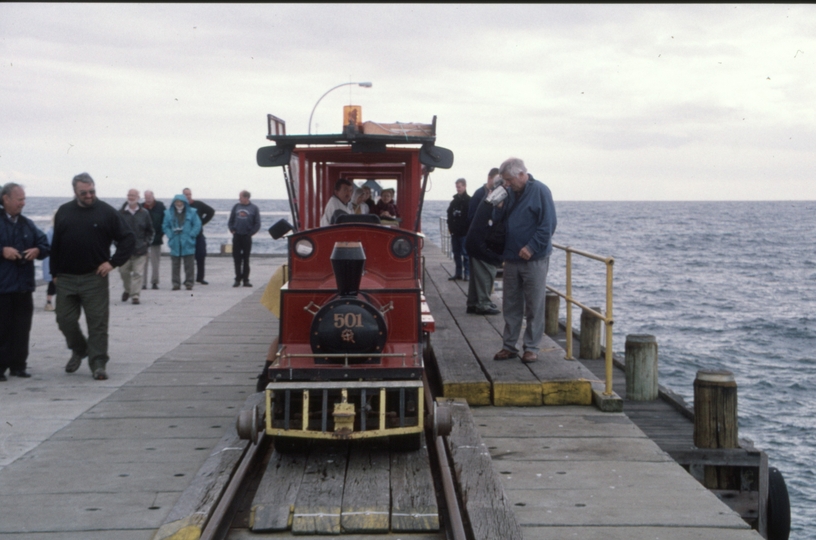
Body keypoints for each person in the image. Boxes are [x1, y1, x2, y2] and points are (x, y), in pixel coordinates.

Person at [51, 173, 136, 380]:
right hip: (66, 277)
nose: (89, 196)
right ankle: (80, 349)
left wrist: (113, 262)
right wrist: (54, 273)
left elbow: (128, 238)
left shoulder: (106, 212)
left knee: (97, 323)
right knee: (64, 319)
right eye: (84, 193)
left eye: (92, 191)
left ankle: (98, 364)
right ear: (75, 192)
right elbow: (56, 245)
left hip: (94, 277)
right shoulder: (64, 211)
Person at [492, 158, 557, 364]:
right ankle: (509, 346)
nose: (507, 184)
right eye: (505, 181)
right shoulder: (509, 192)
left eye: (509, 180)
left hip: (534, 259)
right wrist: (498, 205)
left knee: (534, 305)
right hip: (511, 258)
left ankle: (531, 348)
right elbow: (497, 221)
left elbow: (548, 225)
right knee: (510, 304)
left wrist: (532, 247)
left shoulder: (540, 191)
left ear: (521, 174)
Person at [0, 183, 50, 380]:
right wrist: (2, 251)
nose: (23, 203)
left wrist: (37, 251)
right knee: (2, 328)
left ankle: (19, 365)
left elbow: (44, 244)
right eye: (19, 199)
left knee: (22, 328)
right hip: (2, 288)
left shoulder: (27, 224)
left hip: (23, 286)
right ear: (6, 199)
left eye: (24, 199)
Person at [465, 174, 505, 315]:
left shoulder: (488, 194)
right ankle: (483, 303)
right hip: (481, 242)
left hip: (474, 239)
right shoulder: (499, 195)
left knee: (477, 275)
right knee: (486, 272)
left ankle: (473, 303)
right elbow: (496, 216)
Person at [118, 189, 154, 305]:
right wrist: (117, 244)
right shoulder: (121, 213)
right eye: (129, 195)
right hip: (124, 250)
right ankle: (128, 290)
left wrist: (146, 243)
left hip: (140, 249)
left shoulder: (144, 213)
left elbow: (150, 231)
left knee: (138, 273)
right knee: (124, 272)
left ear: (138, 197)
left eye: (133, 195)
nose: (131, 197)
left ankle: (135, 296)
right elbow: (114, 231)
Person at [163, 195, 202, 291]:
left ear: (184, 202)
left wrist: (191, 235)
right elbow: (165, 226)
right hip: (175, 241)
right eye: (177, 202)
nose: (179, 204)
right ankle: (176, 284)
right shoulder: (168, 214)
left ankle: (189, 283)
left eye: (181, 202)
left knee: (189, 264)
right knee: (175, 264)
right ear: (174, 203)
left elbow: (197, 224)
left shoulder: (192, 212)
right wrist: (170, 235)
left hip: (188, 241)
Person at [228, 190, 261, 288]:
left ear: (246, 198)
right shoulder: (236, 207)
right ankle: (237, 279)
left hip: (247, 237)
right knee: (237, 259)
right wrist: (232, 230)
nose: (239, 199)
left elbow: (257, 223)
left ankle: (246, 280)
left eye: (241, 197)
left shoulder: (254, 208)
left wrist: (250, 233)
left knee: (246, 259)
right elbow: (231, 220)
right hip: (237, 236)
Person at [182, 188, 215, 285]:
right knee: (188, 258)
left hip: (199, 235)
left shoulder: (198, 204)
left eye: (189, 194)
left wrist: (202, 223)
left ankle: (200, 278)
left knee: (201, 256)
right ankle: (189, 278)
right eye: (186, 194)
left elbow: (211, 211)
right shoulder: (182, 206)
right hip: (187, 236)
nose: (188, 196)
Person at [446, 178, 470, 281]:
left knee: (466, 254)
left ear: (464, 186)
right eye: (457, 187)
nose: (458, 189)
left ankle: (467, 274)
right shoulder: (454, 202)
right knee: (456, 254)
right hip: (455, 232)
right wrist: (450, 227)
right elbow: (449, 214)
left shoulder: (469, 201)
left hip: (464, 233)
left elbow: (470, 217)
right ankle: (458, 273)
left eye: (459, 187)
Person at [142, 190, 166, 290]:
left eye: (149, 197)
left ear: (153, 196)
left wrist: (161, 234)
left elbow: (165, 221)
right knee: (143, 262)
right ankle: (143, 283)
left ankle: (154, 282)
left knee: (155, 262)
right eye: (146, 198)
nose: (148, 200)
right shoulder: (141, 207)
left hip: (156, 238)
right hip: (144, 240)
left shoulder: (160, 206)